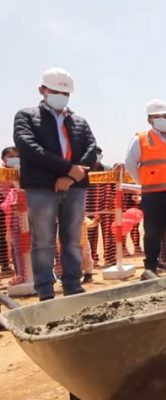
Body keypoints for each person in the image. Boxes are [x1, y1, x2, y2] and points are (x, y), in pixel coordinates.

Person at [13, 68, 97, 301]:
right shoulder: (26, 116)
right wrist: (66, 169)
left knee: (72, 239)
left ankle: (72, 286)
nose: (61, 95)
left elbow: (92, 149)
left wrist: (71, 177)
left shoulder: (79, 121)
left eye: (65, 92)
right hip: (41, 188)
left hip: (75, 187)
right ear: (42, 90)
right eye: (56, 91)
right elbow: (29, 148)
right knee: (43, 241)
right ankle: (46, 291)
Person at [125, 99, 166, 278]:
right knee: (153, 232)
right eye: (158, 116)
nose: (163, 119)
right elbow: (130, 164)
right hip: (153, 195)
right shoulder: (140, 139)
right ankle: (151, 266)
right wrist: (144, 181)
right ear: (149, 120)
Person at [0, 147, 18, 275]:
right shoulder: (1, 171)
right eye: (10, 156)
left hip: (17, 208)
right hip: (3, 206)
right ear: (3, 158)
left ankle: (16, 266)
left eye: (16, 156)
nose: (14, 159)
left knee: (16, 238)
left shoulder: (21, 170)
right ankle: (5, 264)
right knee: (2, 236)